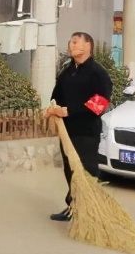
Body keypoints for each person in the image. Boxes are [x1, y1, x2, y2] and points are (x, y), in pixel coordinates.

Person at [46, 31, 113, 221]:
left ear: (88, 46)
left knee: (87, 170)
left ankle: (95, 211)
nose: (71, 45)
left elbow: (100, 102)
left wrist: (69, 111)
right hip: (67, 131)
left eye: (76, 42)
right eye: (70, 42)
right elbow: (56, 95)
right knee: (70, 169)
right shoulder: (68, 71)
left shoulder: (97, 73)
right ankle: (74, 206)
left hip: (86, 131)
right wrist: (52, 108)